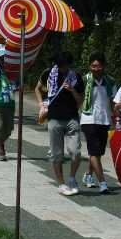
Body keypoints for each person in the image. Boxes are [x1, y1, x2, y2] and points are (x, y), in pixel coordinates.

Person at [36, 51, 85, 195]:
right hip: (54, 118)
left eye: (65, 65)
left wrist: (72, 91)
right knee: (57, 154)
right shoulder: (48, 73)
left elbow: (80, 100)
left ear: (69, 65)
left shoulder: (75, 77)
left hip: (71, 118)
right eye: (60, 65)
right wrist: (41, 104)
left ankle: (71, 179)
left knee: (75, 152)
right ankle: (61, 183)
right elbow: (37, 89)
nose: (62, 68)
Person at [79, 51, 115, 193]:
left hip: (104, 119)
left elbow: (113, 101)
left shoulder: (110, 81)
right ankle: (103, 183)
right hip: (88, 119)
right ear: (89, 66)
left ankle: (88, 175)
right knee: (94, 152)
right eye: (93, 66)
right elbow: (79, 98)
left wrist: (116, 112)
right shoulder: (84, 80)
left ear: (104, 66)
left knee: (98, 153)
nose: (95, 68)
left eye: (98, 66)